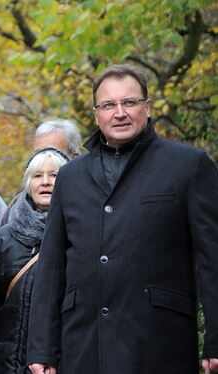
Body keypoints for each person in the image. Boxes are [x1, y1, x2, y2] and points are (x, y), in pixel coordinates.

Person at [27, 64, 218, 374]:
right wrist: (41, 349)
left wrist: (216, 341)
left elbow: (213, 260)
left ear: (147, 107)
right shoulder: (71, 177)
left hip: (159, 345)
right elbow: (51, 267)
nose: (119, 113)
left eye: (129, 102)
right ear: (96, 113)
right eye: (109, 105)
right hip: (84, 346)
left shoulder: (188, 165)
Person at [0, 148, 69, 373]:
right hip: (6, 365)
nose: (45, 182)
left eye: (54, 175)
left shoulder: (80, 236)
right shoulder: (4, 239)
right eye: (37, 176)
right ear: (28, 183)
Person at [0, 119, 82, 231]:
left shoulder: (89, 204)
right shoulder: (16, 209)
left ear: (74, 158)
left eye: (54, 152)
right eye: (38, 153)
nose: (44, 157)